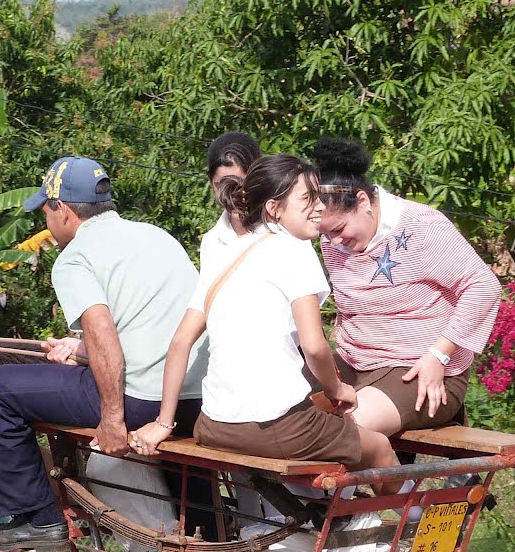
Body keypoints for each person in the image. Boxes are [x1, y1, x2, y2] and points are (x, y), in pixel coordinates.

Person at [0, 156, 208, 552]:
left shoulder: (74, 257)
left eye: (46, 210)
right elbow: (149, 327)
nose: (46, 219)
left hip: (144, 402)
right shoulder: (156, 236)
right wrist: (78, 351)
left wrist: (112, 419)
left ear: (62, 209)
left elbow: (101, 330)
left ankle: (33, 519)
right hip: (198, 399)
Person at [130, 155, 395, 470]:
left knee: (321, 421)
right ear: (274, 208)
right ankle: (392, 504)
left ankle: (325, 502)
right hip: (277, 428)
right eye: (308, 199)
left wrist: (163, 423)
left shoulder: (225, 254)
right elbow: (313, 346)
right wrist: (337, 389)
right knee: (379, 448)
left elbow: (179, 342)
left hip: (213, 425)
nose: (321, 207)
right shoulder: (294, 249)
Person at [311, 137, 502, 436]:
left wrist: (439, 355)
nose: (333, 241)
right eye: (325, 234)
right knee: (275, 408)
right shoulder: (333, 241)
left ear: (363, 201)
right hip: (353, 363)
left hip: (423, 371)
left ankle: (388, 471)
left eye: (338, 229)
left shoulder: (422, 227)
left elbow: (484, 286)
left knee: (339, 432)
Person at [200, 131, 262, 265]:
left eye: (239, 184)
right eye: (223, 185)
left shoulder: (284, 231)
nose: (233, 193)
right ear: (211, 183)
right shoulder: (211, 243)